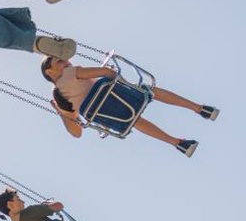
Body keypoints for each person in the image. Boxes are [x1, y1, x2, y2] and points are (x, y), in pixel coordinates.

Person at [41, 56, 218, 158]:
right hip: (124, 98)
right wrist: (113, 74)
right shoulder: (70, 73)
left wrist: (60, 111)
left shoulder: (59, 96)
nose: (68, 61)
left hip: (114, 118)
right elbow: (107, 73)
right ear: (50, 71)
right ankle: (199, 108)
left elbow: (76, 132)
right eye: (61, 61)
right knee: (150, 91)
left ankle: (178, 144)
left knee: (135, 121)